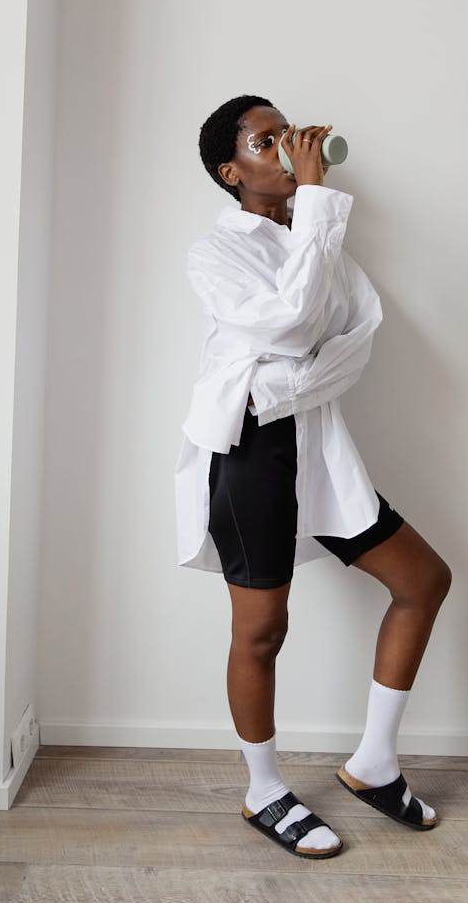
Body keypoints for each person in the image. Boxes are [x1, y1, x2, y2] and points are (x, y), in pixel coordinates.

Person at [174, 94, 451, 859]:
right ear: (232, 172)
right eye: (268, 141)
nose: (290, 148)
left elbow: (359, 339)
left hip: (321, 448)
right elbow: (296, 326)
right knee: (263, 629)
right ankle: (263, 789)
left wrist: (284, 379)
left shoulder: (320, 245)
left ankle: (374, 762)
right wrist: (291, 363)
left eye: (287, 133)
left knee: (423, 579)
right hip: (251, 453)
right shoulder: (215, 252)